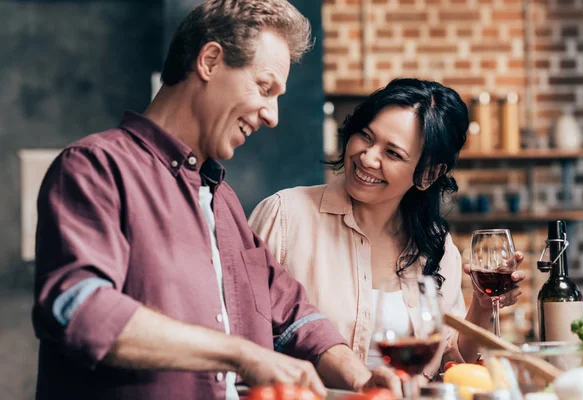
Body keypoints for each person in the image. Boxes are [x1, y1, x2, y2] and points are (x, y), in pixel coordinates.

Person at [32, 1, 401, 399]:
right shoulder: (95, 168)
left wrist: (360, 378)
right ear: (209, 61)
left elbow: (292, 313)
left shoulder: (220, 199)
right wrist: (240, 354)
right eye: (264, 88)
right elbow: (81, 310)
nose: (273, 115)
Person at [249, 78, 526, 381]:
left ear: (428, 174)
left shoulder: (437, 246)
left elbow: (451, 359)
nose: (367, 157)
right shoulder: (285, 216)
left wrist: (483, 307)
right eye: (365, 136)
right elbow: (242, 331)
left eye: (393, 153)